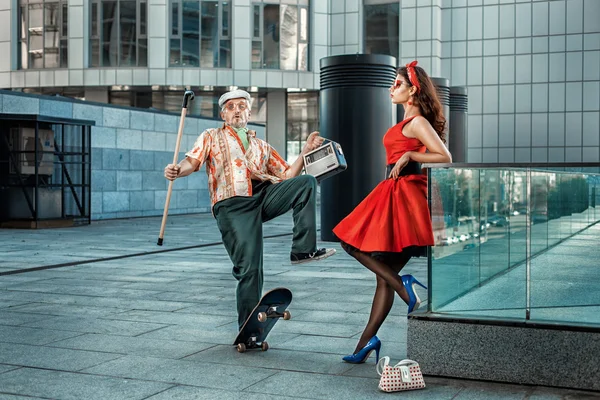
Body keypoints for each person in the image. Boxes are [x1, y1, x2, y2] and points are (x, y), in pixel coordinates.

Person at [164, 89, 336, 329]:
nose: (236, 111)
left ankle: (303, 250)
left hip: (263, 196)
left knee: (306, 182)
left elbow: (286, 174)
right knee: (250, 268)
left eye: (241, 106)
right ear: (223, 114)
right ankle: (248, 326)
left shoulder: (261, 145)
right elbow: (191, 163)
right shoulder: (211, 136)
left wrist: (305, 151)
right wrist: (176, 170)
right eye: (231, 107)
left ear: (249, 112)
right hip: (232, 204)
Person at [332, 61, 452, 363]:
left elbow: (446, 158)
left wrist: (411, 154)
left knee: (351, 243)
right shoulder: (406, 123)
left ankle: (404, 287)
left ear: (413, 90)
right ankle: (366, 342)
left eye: (397, 84)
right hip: (395, 191)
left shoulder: (418, 123)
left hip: (406, 195)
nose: (391, 88)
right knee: (383, 276)